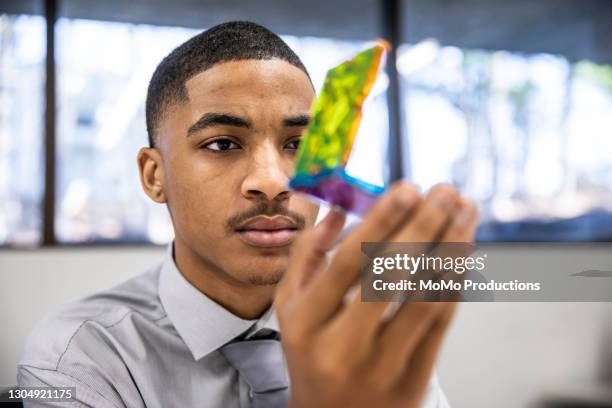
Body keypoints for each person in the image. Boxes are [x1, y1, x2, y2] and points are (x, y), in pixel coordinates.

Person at [17, 21, 478, 407]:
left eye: (297, 145)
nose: (273, 181)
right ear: (155, 176)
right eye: (222, 143)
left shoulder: (370, 327)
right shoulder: (77, 357)